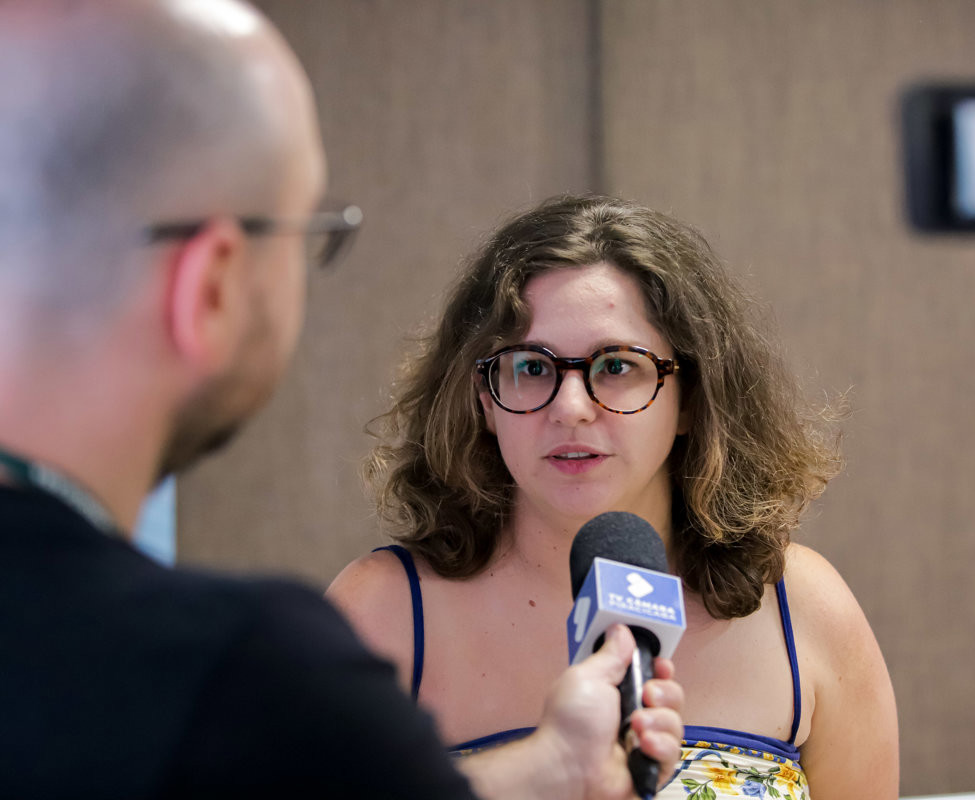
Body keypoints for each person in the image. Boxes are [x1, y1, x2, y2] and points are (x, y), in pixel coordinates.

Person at [0, 2, 684, 798]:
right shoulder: (250, 681)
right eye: (302, 235)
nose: (574, 405)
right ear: (212, 283)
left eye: (617, 368)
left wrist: (553, 767)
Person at [329, 194, 900, 799]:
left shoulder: (801, 606)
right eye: (530, 367)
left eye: (617, 366)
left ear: (692, 400)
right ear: (484, 401)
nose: (570, 409)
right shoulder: (381, 615)